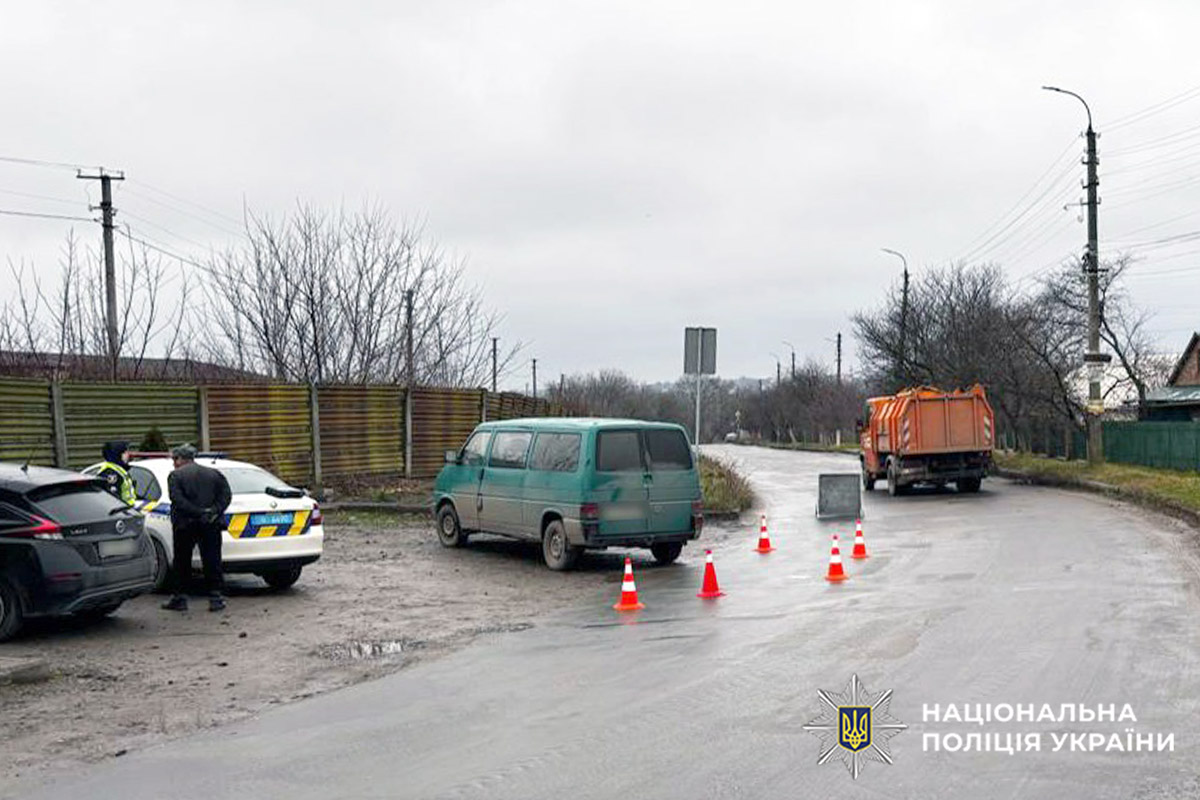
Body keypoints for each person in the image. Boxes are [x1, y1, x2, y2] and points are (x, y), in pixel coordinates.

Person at [162, 444, 232, 613]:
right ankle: (216, 598)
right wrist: (213, 511)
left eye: (175, 459)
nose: (173, 463)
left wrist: (197, 512)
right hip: (211, 523)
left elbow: (177, 499)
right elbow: (226, 496)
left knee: (182, 561)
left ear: (180, 459)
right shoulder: (214, 474)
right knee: (212, 560)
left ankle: (180, 598)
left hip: (185, 524)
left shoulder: (175, 476)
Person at [96, 440, 136, 506]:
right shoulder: (111, 474)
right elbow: (114, 500)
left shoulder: (119, 470)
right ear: (117, 455)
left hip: (128, 509)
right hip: (122, 510)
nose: (128, 455)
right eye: (124, 453)